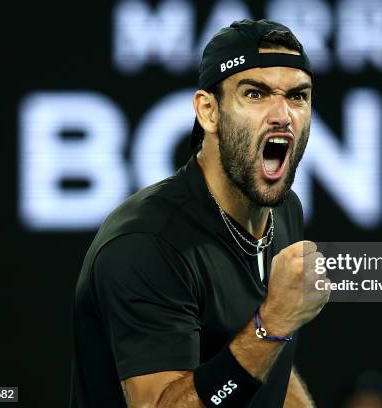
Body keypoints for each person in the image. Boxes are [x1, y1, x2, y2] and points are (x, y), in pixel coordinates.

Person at [69, 19, 330, 408]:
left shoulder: (283, 210)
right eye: (256, 94)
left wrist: (273, 332)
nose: (282, 115)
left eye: (297, 96)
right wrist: (273, 323)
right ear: (208, 112)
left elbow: (262, 359)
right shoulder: (148, 244)